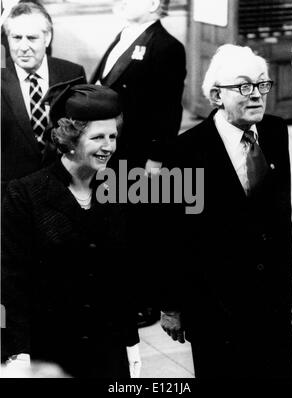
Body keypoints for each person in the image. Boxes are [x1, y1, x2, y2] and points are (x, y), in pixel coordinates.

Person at [160, 44, 292, 378]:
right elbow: (169, 235)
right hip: (215, 305)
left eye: (262, 84)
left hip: (273, 302)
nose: (256, 95)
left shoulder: (275, 131)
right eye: (243, 86)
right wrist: (171, 306)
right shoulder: (184, 152)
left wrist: (289, 294)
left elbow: (281, 220)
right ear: (216, 95)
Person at [1, 83, 141, 378]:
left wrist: (131, 343)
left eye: (113, 136)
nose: (109, 146)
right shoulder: (25, 194)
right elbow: (12, 279)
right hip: (50, 351)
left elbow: (124, 275)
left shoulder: (119, 189)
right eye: (98, 137)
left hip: (108, 349)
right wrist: (17, 351)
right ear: (71, 140)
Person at [90, 0, 186, 174]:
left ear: (153, 4)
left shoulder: (167, 47)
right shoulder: (124, 35)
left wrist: (157, 157)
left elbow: (169, 110)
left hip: (136, 152)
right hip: (107, 144)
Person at [1, 1, 86, 192]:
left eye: (31, 38)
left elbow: (81, 134)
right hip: (10, 192)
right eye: (16, 38)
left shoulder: (72, 74)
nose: (23, 47)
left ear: (46, 39)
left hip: (62, 187)